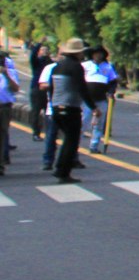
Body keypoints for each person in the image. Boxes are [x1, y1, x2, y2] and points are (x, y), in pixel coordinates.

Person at [45, 38, 91, 182]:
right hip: (70, 107)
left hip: (56, 106)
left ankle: (60, 168)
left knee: (66, 140)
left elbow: (51, 88)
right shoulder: (76, 67)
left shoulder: (57, 66)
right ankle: (63, 172)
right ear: (78, 53)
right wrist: (93, 107)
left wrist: (53, 103)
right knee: (71, 141)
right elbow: (81, 88)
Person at [83, 46, 113, 153]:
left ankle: (94, 145)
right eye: (96, 53)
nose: (98, 55)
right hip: (87, 99)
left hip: (101, 98)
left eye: (100, 53)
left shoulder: (107, 67)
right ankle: (75, 145)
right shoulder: (85, 65)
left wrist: (111, 91)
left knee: (99, 124)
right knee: (83, 121)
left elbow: (113, 81)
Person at [0, 50, 20, 174]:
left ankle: (1, 164)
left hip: (4, 107)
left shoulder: (10, 73)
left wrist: (6, 75)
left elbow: (15, 88)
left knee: (2, 135)